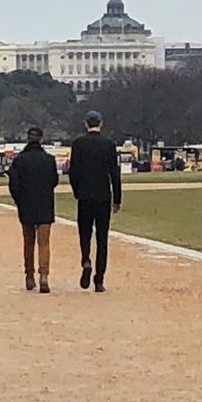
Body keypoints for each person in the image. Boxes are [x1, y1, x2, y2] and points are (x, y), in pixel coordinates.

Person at [67, 110, 122, 293]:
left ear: (86, 124)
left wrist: (77, 191)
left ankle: (86, 260)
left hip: (85, 195)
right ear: (101, 123)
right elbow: (114, 174)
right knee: (102, 238)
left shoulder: (78, 144)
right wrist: (117, 199)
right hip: (103, 195)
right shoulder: (108, 145)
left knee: (85, 233)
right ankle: (99, 280)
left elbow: (73, 172)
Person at [7, 126, 58, 293]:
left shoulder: (19, 160)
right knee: (44, 243)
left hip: (26, 204)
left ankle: (29, 276)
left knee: (28, 242)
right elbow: (54, 181)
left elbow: (14, 185)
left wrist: (19, 201)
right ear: (41, 139)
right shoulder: (49, 160)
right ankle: (44, 277)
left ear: (27, 138)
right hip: (44, 204)